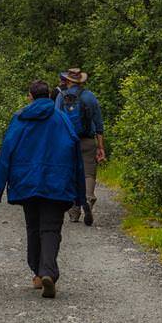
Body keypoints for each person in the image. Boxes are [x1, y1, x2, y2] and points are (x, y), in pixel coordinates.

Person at [0, 79, 86, 299]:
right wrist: (80, 194)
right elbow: (76, 155)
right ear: (51, 97)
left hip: (27, 181)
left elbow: (6, 156)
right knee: (51, 229)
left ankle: (37, 272)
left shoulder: (20, 119)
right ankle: (47, 273)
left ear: (30, 96)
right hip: (57, 182)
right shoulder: (62, 119)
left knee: (33, 227)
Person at [56, 67, 106, 226]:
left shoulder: (60, 97)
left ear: (68, 80)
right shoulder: (89, 97)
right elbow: (98, 123)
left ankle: (74, 210)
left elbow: (57, 121)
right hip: (87, 140)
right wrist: (100, 147)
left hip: (67, 141)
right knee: (89, 171)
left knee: (70, 172)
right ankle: (89, 199)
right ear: (82, 81)